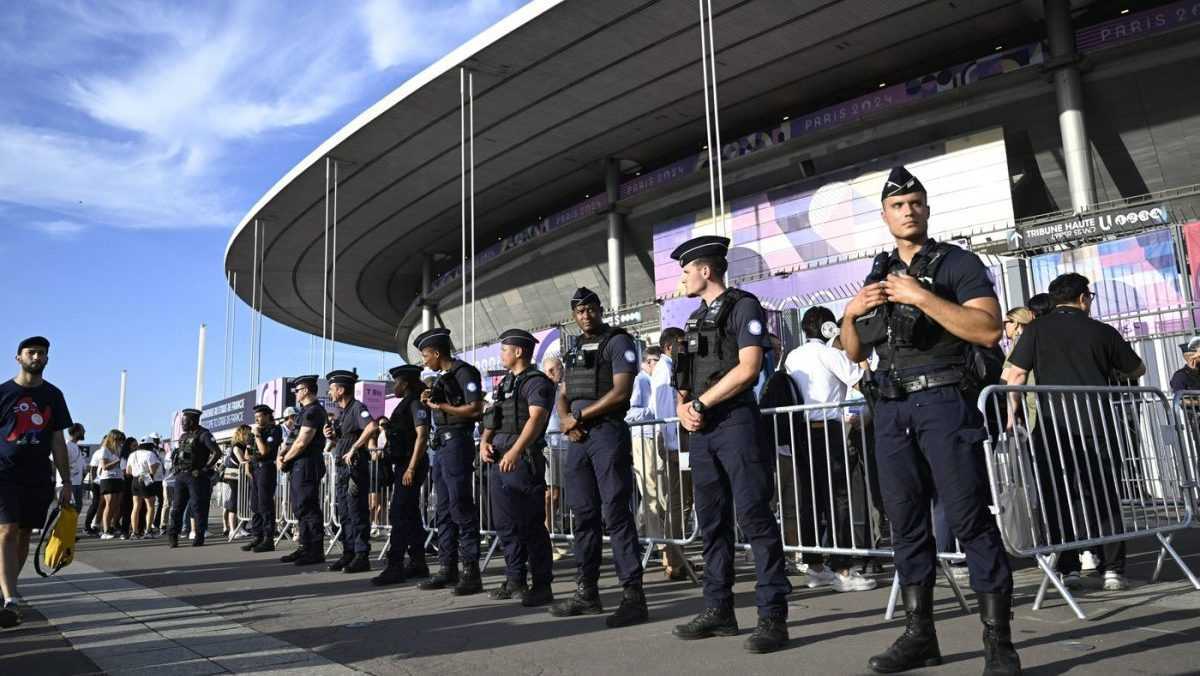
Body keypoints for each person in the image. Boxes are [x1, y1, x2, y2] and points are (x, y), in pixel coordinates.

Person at [840, 166, 1019, 674]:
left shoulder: (957, 263)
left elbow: (987, 331)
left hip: (942, 400)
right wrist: (852, 313)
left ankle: (998, 643)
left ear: (926, 208)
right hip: (891, 408)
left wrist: (921, 296)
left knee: (968, 519)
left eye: (915, 202)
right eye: (898, 206)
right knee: (906, 524)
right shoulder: (878, 272)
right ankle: (920, 635)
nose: (908, 211)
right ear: (885, 215)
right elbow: (855, 354)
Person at [665, 237, 790, 654]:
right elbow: (682, 380)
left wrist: (699, 403)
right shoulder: (693, 321)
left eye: (685, 271)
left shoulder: (744, 306)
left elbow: (749, 368)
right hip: (702, 430)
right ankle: (718, 610)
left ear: (706, 271)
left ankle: (772, 617)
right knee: (712, 521)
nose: (681, 279)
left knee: (754, 516)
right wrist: (685, 409)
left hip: (735, 422)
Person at [1004, 272, 1145, 593]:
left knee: (1058, 495)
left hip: (1052, 427)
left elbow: (1016, 373)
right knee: (1105, 494)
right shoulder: (1101, 331)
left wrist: (1012, 415)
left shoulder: (1036, 330)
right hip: (1096, 423)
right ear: (1084, 298)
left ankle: (1067, 567)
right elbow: (1137, 368)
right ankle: (1112, 569)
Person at [551, 287, 648, 628]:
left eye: (590, 309)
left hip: (606, 433)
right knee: (584, 516)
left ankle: (633, 596)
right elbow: (563, 393)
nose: (585, 315)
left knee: (616, 514)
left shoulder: (618, 342)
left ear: (600, 309)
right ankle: (586, 592)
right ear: (574, 316)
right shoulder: (574, 347)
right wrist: (567, 420)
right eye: (579, 311)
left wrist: (581, 417)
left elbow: (622, 390)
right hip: (578, 438)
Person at [781, 305, 874, 593]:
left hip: (801, 432)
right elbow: (858, 378)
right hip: (827, 430)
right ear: (827, 328)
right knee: (838, 498)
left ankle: (816, 565)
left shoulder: (793, 355)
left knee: (810, 498)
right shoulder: (829, 354)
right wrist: (864, 362)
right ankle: (842, 567)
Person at [0, 336, 74, 628]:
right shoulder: (3, 393)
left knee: (23, 535)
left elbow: (57, 439)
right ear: (18, 357)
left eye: (42, 353)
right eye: (31, 352)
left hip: (37, 476)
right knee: (6, 530)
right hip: (4, 472)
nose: (37, 357)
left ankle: (8, 588)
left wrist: (66, 480)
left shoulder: (53, 395)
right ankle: (11, 597)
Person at [479, 329, 556, 607]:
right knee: (506, 524)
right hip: (500, 460)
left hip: (522, 462)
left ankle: (542, 584)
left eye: (504, 350)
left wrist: (515, 450)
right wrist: (485, 442)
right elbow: (494, 417)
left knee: (531, 525)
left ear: (519, 352)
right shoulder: (506, 383)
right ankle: (515, 579)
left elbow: (535, 420)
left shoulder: (536, 383)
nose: (501, 355)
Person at [413, 329, 485, 595]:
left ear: (437, 353)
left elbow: (475, 410)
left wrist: (442, 407)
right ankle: (447, 568)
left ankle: (470, 571)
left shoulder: (465, 373)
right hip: (442, 445)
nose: (424, 361)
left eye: (425, 355)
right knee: (442, 508)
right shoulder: (444, 379)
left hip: (457, 442)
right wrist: (431, 397)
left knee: (460, 506)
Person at [372, 365, 432, 586]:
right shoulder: (406, 403)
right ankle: (418, 563)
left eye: (396, 382)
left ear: (405, 383)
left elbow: (422, 435)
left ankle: (395, 565)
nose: (393, 386)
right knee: (411, 514)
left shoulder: (416, 403)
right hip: (404, 465)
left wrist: (411, 468)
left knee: (398, 513)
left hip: (410, 465)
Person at [325, 370, 378, 574]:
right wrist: (331, 437)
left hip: (355, 468)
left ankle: (361, 555)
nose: (330, 393)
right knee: (345, 512)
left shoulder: (357, 408)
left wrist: (355, 447)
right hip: (342, 468)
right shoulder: (343, 412)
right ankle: (349, 553)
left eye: (331, 389)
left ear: (341, 389)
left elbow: (371, 426)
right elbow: (342, 440)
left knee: (357, 512)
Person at [647, 327, 689, 578]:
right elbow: (665, 412)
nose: (686, 347)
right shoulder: (665, 370)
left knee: (681, 501)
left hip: (679, 443)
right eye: (681, 344)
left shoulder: (672, 368)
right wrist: (673, 447)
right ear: (668, 347)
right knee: (679, 502)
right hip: (675, 443)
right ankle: (674, 559)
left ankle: (675, 557)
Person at [276, 375, 329, 566]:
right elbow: (292, 440)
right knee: (300, 507)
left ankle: (315, 550)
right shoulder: (304, 411)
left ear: (306, 390)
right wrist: (282, 455)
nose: (296, 394)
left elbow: (302, 441)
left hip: (307, 463)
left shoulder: (313, 411)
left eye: (297, 390)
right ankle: (305, 547)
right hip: (300, 464)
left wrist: (285, 459)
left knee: (308, 507)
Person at [166, 408, 221, 548]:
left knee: (198, 507)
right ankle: (173, 535)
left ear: (193, 421)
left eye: (185, 421)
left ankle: (199, 536)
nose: (183, 424)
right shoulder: (184, 436)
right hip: (181, 476)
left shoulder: (204, 435)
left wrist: (204, 469)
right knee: (177, 507)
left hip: (196, 477)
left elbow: (217, 452)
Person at [540, 355, 570, 558]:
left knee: (557, 496)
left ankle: (550, 536)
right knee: (550, 495)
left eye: (557, 368)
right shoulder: (544, 389)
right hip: (549, 444)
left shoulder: (561, 388)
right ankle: (546, 541)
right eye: (549, 370)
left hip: (563, 444)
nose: (553, 373)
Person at [242, 404, 281, 553]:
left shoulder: (274, 430)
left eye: (260, 416)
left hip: (266, 467)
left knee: (265, 504)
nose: (257, 420)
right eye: (256, 417)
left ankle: (268, 539)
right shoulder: (254, 432)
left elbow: (264, 451)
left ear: (267, 416)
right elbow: (247, 453)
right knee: (255, 504)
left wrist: (258, 435)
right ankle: (257, 536)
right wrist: (247, 464)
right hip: (255, 468)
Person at [126, 437, 162, 539]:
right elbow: (152, 471)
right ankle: (148, 531)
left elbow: (128, 471)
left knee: (136, 506)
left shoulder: (132, 454)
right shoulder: (150, 454)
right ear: (150, 445)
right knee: (150, 506)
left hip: (135, 479)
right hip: (146, 478)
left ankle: (135, 532)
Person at [92, 430, 125, 539]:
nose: (120, 442)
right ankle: (105, 530)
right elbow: (105, 466)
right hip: (108, 479)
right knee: (109, 504)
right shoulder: (104, 450)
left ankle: (109, 526)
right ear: (112, 439)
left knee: (115, 505)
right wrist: (117, 461)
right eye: (118, 440)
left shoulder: (118, 449)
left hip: (117, 478)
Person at [223, 427, 251, 538]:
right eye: (248, 433)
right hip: (234, 476)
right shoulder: (237, 446)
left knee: (244, 502)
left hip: (244, 476)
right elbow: (242, 461)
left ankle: (242, 527)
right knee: (234, 502)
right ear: (242, 434)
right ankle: (232, 529)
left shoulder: (246, 446)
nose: (250, 435)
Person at [60, 423, 87, 513]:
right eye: (83, 430)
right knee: (66, 510)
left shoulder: (76, 447)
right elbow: (58, 462)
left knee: (76, 509)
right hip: (68, 483)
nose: (85, 432)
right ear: (77, 432)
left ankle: (70, 527)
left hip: (77, 483)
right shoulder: (66, 445)